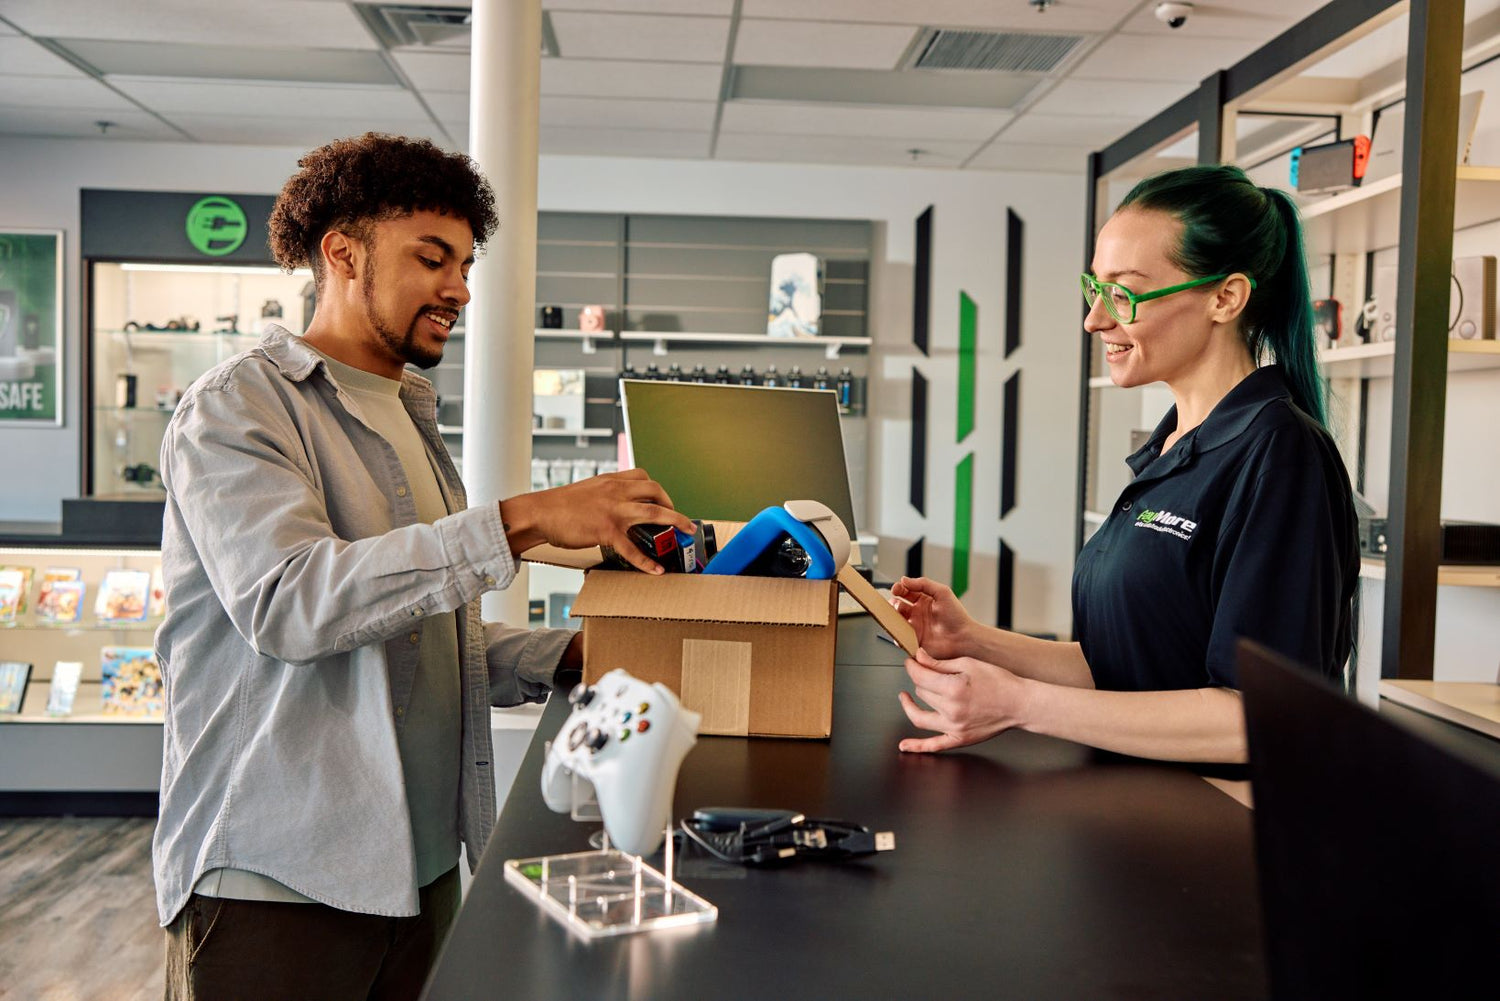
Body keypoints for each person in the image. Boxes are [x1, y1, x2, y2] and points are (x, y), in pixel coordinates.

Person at [153, 133, 694, 999]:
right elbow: (295, 605)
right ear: (343, 253)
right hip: (277, 885)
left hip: (420, 871)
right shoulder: (237, 407)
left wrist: (564, 656)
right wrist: (522, 522)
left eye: (466, 263)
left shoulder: (407, 408)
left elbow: (415, 635)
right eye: (433, 258)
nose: (460, 289)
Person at [892, 164, 1358, 764]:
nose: (1096, 319)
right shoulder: (1173, 448)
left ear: (1225, 297)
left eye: (1124, 293)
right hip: (1137, 810)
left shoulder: (1282, 455)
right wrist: (974, 642)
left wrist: (1021, 704)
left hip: (1224, 832)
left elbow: (1264, 718)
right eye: (1095, 289)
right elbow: (1130, 668)